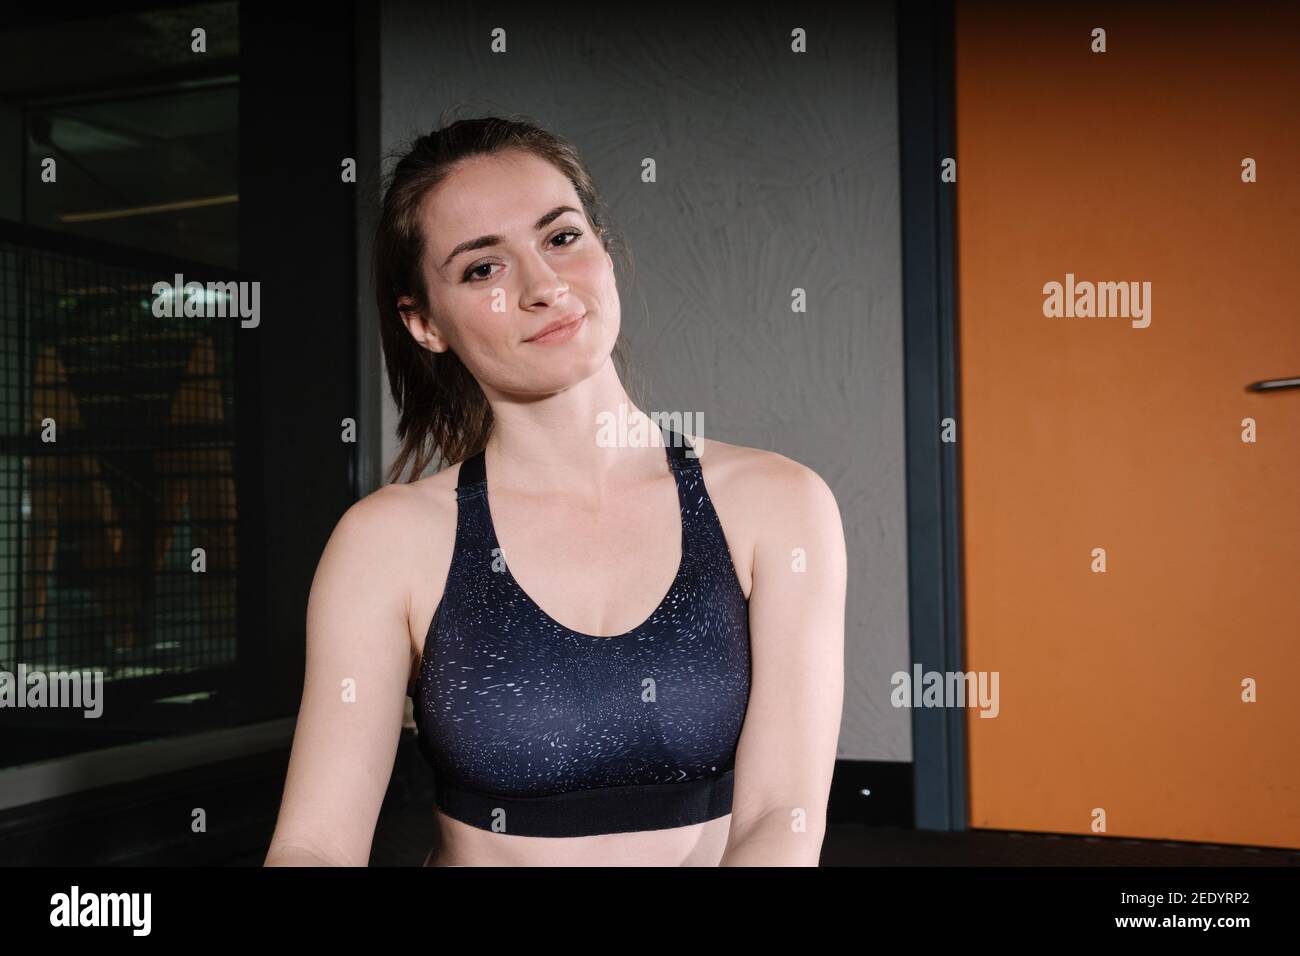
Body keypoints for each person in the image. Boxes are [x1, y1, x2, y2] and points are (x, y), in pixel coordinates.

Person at [265, 115, 846, 866]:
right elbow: (314, 844)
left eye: (561, 237)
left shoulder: (777, 503)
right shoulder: (388, 540)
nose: (543, 287)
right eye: (483, 269)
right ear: (424, 323)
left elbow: (781, 818)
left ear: (603, 249)